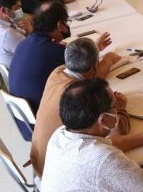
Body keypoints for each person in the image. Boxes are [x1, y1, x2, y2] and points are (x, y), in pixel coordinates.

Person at [31, 38, 122, 178]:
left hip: (40, 161)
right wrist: (120, 109)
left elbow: (91, 77)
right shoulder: (80, 97)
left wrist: (96, 53)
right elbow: (116, 131)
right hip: (59, 172)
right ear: (95, 66)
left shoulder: (57, 72)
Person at [8, 1, 78, 111]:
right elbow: (83, 73)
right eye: (66, 22)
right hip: (43, 114)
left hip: (23, 115)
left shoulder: (23, 43)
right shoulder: (56, 51)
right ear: (59, 25)